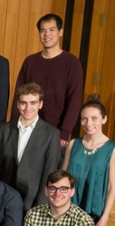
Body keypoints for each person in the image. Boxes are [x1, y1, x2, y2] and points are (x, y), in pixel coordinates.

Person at [13, 14, 84, 152]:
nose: (47, 34)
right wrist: (15, 124)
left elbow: (75, 100)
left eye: (51, 29)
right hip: (28, 129)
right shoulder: (30, 61)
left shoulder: (72, 63)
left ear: (61, 32)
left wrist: (64, 131)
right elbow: (19, 96)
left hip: (56, 132)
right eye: (42, 30)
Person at [63, 94, 115, 226]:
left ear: (104, 119)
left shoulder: (113, 150)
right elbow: (62, 178)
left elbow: (112, 187)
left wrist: (104, 219)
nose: (88, 123)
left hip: (93, 213)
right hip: (68, 210)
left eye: (94, 118)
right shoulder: (74, 144)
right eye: (84, 119)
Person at [0, 83, 61, 212]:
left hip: (32, 200)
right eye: (24, 103)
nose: (28, 108)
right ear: (18, 104)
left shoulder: (51, 134)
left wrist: (40, 205)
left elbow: (50, 172)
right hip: (5, 196)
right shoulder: (5, 129)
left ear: (40, 104)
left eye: (33, 103)